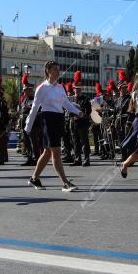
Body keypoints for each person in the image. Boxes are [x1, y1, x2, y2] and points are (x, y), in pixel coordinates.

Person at [23, 61, 81, 192]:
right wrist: (28, 126)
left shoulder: (60, 87)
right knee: (56, 151)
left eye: (58, 69)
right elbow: (34, 108)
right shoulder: (42, 88)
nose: (58, 72)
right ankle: (65, 183)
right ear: (48, 71)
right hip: (47, 120)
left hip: (58, 119)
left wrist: (78, 112)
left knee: (47, 152)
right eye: (55, 69)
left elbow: (66, 104)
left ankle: (34, 178)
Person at [70, 72, 92, 166]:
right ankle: (77, 158)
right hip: (74, 123)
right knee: (75, 142)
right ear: (74, 89)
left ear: (81, 89)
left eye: (79, 89)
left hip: (82, 123)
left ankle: (86, 159)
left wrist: (81, 113)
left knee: (84, 142)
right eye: (76, 89)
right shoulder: (72, 99)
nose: (77, 91)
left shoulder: (85, 99)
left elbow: (88, 111)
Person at [18, 76, 37, 166]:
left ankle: (35, 158)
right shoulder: (25, 100)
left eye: (26, 90)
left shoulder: (33, 100)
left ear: (30, 90)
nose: (24, 92)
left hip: (32, 125)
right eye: (24, 90)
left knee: (33, 142)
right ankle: (30, 157)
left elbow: (33, 111)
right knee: (26, 142)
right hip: (24, 124)